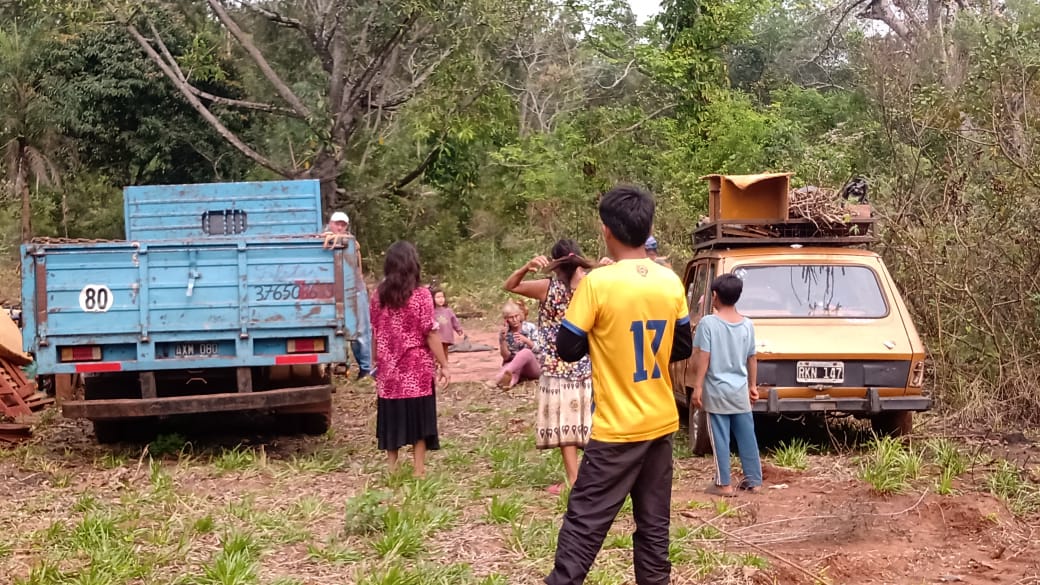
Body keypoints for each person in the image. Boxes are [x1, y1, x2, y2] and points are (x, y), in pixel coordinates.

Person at [547, 185, 692, 585]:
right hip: (661, 424)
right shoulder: (670, 282)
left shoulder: (598, 283)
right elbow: (682, 347)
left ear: (606, 230)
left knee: (583, 527)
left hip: (617, 430)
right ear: (648, 228)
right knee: (653, 528)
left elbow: (567, 347)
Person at [504, 240, 595, 495]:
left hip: (556, 366)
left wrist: (526, 267)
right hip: (586, 362)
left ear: (555, 264)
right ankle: (593, 477)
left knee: (565, 425)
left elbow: (510, 286)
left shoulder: (547, 287)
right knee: (587, 423)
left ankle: (575, 480)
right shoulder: (590, 284)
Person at [369, 241, 450, 477]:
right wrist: (444, 364)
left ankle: (392, 468)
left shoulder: (378, 296)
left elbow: (375, 330)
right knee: (419, 415)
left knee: (391, 413)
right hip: (417, 367)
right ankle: (418, 469)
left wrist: (376, 360)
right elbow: (430, 331)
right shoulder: (422, 295)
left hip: (388, 367)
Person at [691, 273, 763, 496]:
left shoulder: (708, 323)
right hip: (740, 390)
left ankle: (723, 484)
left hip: (717, 391)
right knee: (746, 435)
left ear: (715, 296)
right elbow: (752, 357)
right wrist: (753, 385)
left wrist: (698, 387)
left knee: (720, 437)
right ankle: (754, 480)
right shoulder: (747, 325)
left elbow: (704, 356)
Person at [325, 211, 374, 379]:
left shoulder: (353, 243)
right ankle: (339, 364)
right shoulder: (321, 240)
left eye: (342, 224)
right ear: (330, 223)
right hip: (329, 290)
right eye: (336, 223)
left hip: (354, 288)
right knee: (333, 327)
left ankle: (365, 368)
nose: (339, 227)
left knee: (360, 329)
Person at [489, 300, 541, 389]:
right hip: (516, 365)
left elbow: (539, 349)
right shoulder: (505, 332)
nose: (514, 320)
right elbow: (506, 357)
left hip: (533, 366)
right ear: (506, 320)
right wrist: (503, 341)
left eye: (516, 316)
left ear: (520, 315)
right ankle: (508, 384)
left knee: (525, 353)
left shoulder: (530, 327)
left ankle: (500, 377)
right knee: (514, 368)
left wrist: (526, 341)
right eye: (511, 317)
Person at [431, 286, 465, 359]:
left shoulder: (448, 311)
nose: (441, 299)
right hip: (436, 337)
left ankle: (444, 366)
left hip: (446, 336)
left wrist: (459, 330)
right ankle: (436, 366)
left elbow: (454, 321)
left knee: (445, 352)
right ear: (432, 299)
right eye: (438, 297)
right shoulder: (431, 311)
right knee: (436, 354)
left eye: (442, 297)